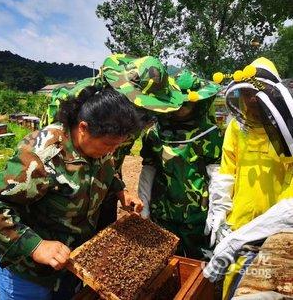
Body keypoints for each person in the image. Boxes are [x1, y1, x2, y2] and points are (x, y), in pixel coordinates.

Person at [0, 86, 145, 300]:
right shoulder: (42, 156)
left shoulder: (98, 146)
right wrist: (35, 246)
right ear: (83, 128)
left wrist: (122, 191)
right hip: (29, 274)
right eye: (108, 144)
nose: (111, 151)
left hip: (70, 265)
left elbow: (103, 171)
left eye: (116, 146)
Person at [41, 54, 184, 230]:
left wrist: (118, 189)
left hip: (106, 179)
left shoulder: (140, 114)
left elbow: (111, 158)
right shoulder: (76, 101)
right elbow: (51, 162)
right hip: (67, 189)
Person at [203, 57, 293, 299]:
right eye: (245, 95)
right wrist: (220, 210)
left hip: (278, 230)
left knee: (266, 285)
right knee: (233, 283)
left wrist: (254, 231)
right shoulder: (236, 127)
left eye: (256, 95)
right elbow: (226, 170)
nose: (250, 102)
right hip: (239, 222)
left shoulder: (288, 129)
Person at [138, 70, 223, 259]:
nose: (181, 108)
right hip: (163, 210)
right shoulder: (154, 133)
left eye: (186, 104)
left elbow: (217, 173)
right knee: (165, 259)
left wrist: (218, 209)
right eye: (177, 103)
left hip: (196, 214)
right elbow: (149, 168)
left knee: (196, 263)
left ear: (197, 102)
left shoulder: (209, 133)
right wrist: (144, 203)